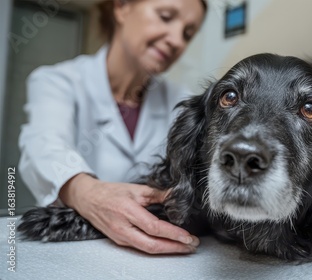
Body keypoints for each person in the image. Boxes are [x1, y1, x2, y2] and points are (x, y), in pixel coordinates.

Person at [18, 0, 206, 254]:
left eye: (188, 33)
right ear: (122, 7)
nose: (176, 40)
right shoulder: (58, 81)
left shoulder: (182, 103)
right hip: (74, 249)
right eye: (165, 16)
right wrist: (88, 193)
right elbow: (42, 145)